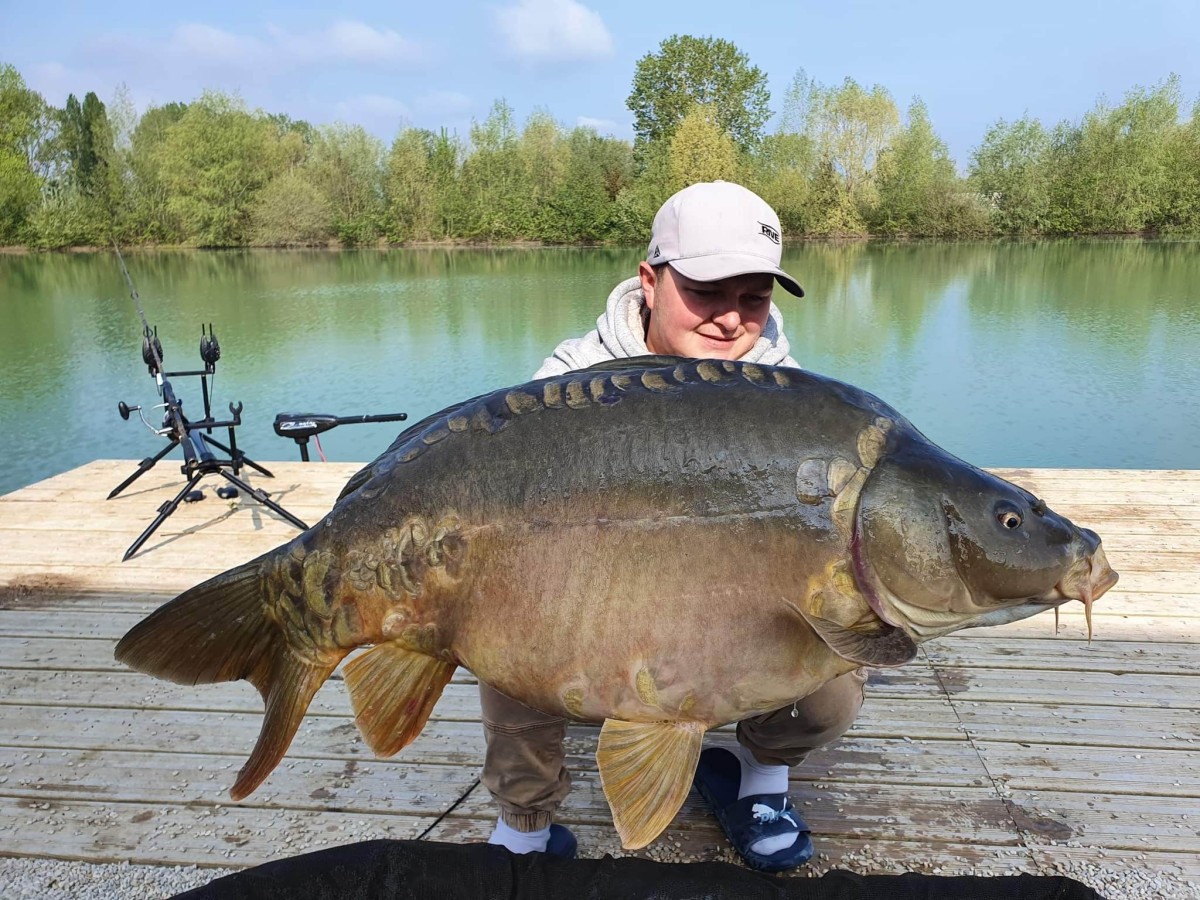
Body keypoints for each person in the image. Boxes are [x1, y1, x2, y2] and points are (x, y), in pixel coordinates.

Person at [481, 180, 868, 872]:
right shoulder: (572, 381)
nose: (730, 319)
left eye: (752, 298)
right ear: (650, 281)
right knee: (511, 622)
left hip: (723, 605)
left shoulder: (790, 396)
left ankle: (761, 782)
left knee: (842, 661)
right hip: (590, 596)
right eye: (707, 292)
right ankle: (525, 823)